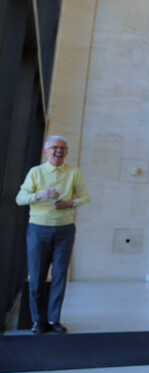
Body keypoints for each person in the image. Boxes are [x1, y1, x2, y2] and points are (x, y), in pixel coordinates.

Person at [16, 136, 90, 335]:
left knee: (59, 275)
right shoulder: (36, 172)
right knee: (37, 276)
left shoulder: (74, 173)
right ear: (46, 152)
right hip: (38, 229)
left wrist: (70, 203)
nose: (59, 151)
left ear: (67, 152)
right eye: (55, 147)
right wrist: (39, 195)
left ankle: (53, 319)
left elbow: (84, 197)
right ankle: (37, 321)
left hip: (65, 230)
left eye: (63, 148)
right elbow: (20, 199)